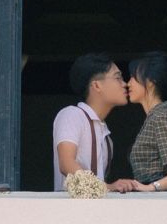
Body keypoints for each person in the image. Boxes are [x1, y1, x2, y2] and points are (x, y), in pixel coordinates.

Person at [117, 51, 167, 192]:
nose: (128, 83)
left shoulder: (161, 117)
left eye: (133, 77)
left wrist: (152, 187)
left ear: (151, 82)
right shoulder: (154, 117)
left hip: (162, 199)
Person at [52, 52, 127, 191]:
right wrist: (108, 187)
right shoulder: (72, 115)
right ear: (97, 86)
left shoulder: (106, 137)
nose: (125, 84)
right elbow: (67, 164)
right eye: (118, 78)